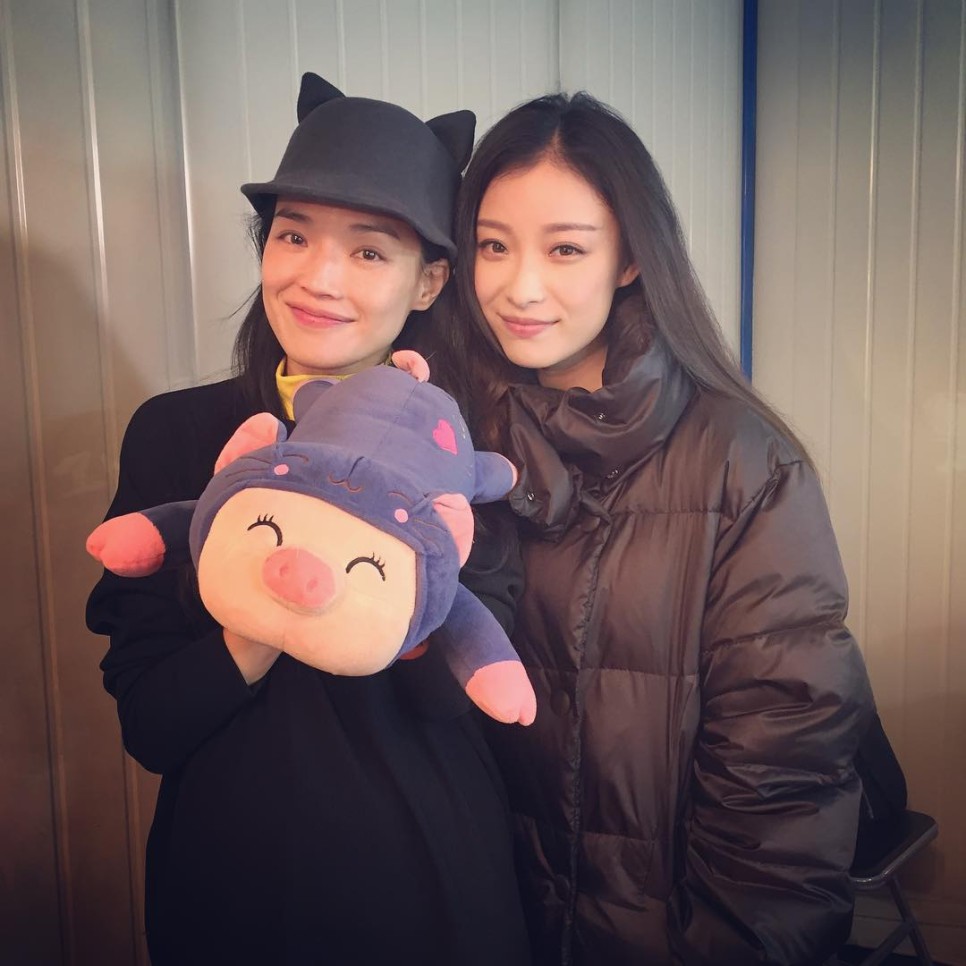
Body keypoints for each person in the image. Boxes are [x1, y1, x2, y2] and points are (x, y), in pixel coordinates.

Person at [85, 73, 530, 966]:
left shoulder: (466, 446)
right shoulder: (176, 434)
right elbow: (151, 726)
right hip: (228, 892)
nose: (319, 278)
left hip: (428, 889)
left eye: (369, 252)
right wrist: (263, 612)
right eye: (294, 235)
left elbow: (456, 701)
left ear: (429, 281)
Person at [435, 91, 875, 966]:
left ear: (632, 257)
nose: (520, 287)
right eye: (493, 245)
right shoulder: (449, 436)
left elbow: (781, 775)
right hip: (482, 920)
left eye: (566, 248)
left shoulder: (741, 461)